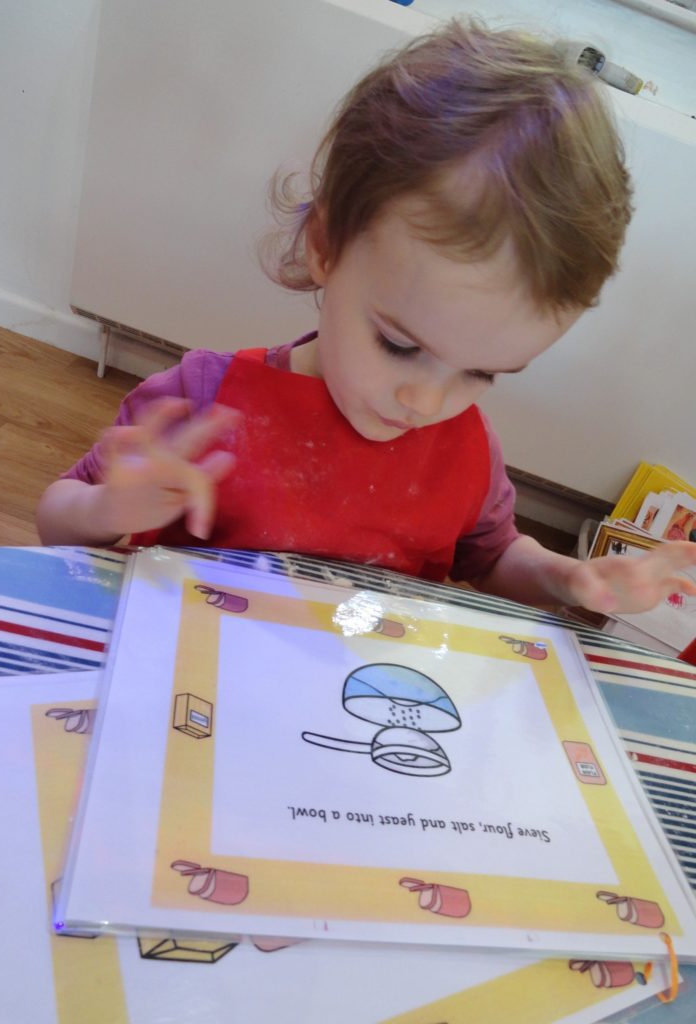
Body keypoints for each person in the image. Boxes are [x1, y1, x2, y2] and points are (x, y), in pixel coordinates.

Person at [37, 18, 696, 615]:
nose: (427, 400)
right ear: (325, 247)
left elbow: (494, 557)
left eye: (483, 373)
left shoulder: (466, 451)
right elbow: (55, 521)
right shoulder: (207, 398)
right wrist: (106, 509)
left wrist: (568, 578)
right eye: (399, 346)